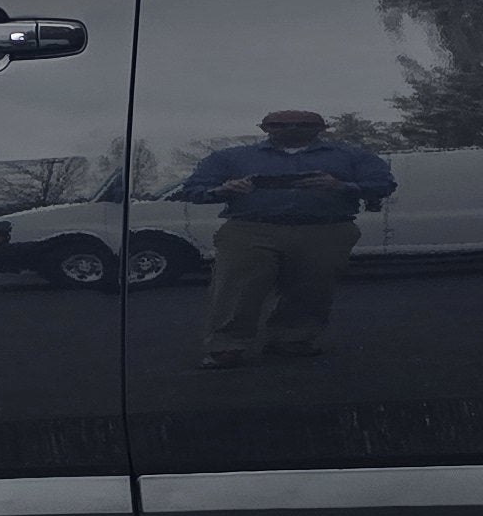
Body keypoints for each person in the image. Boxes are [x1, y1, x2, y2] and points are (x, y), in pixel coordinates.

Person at [170, 110, 397, 365]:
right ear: (264, 128)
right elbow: (192, 190)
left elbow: (384, 184)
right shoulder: (229, 158)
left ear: (322, 128)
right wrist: (222, 189)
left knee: (312, 288)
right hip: (250, 228)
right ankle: (227, 346)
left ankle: (293, 339)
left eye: (303, 124)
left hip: (325, 229)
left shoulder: (353, 156)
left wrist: (340, 186)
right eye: (280, 125)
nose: (292, 129)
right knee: (236, 288)